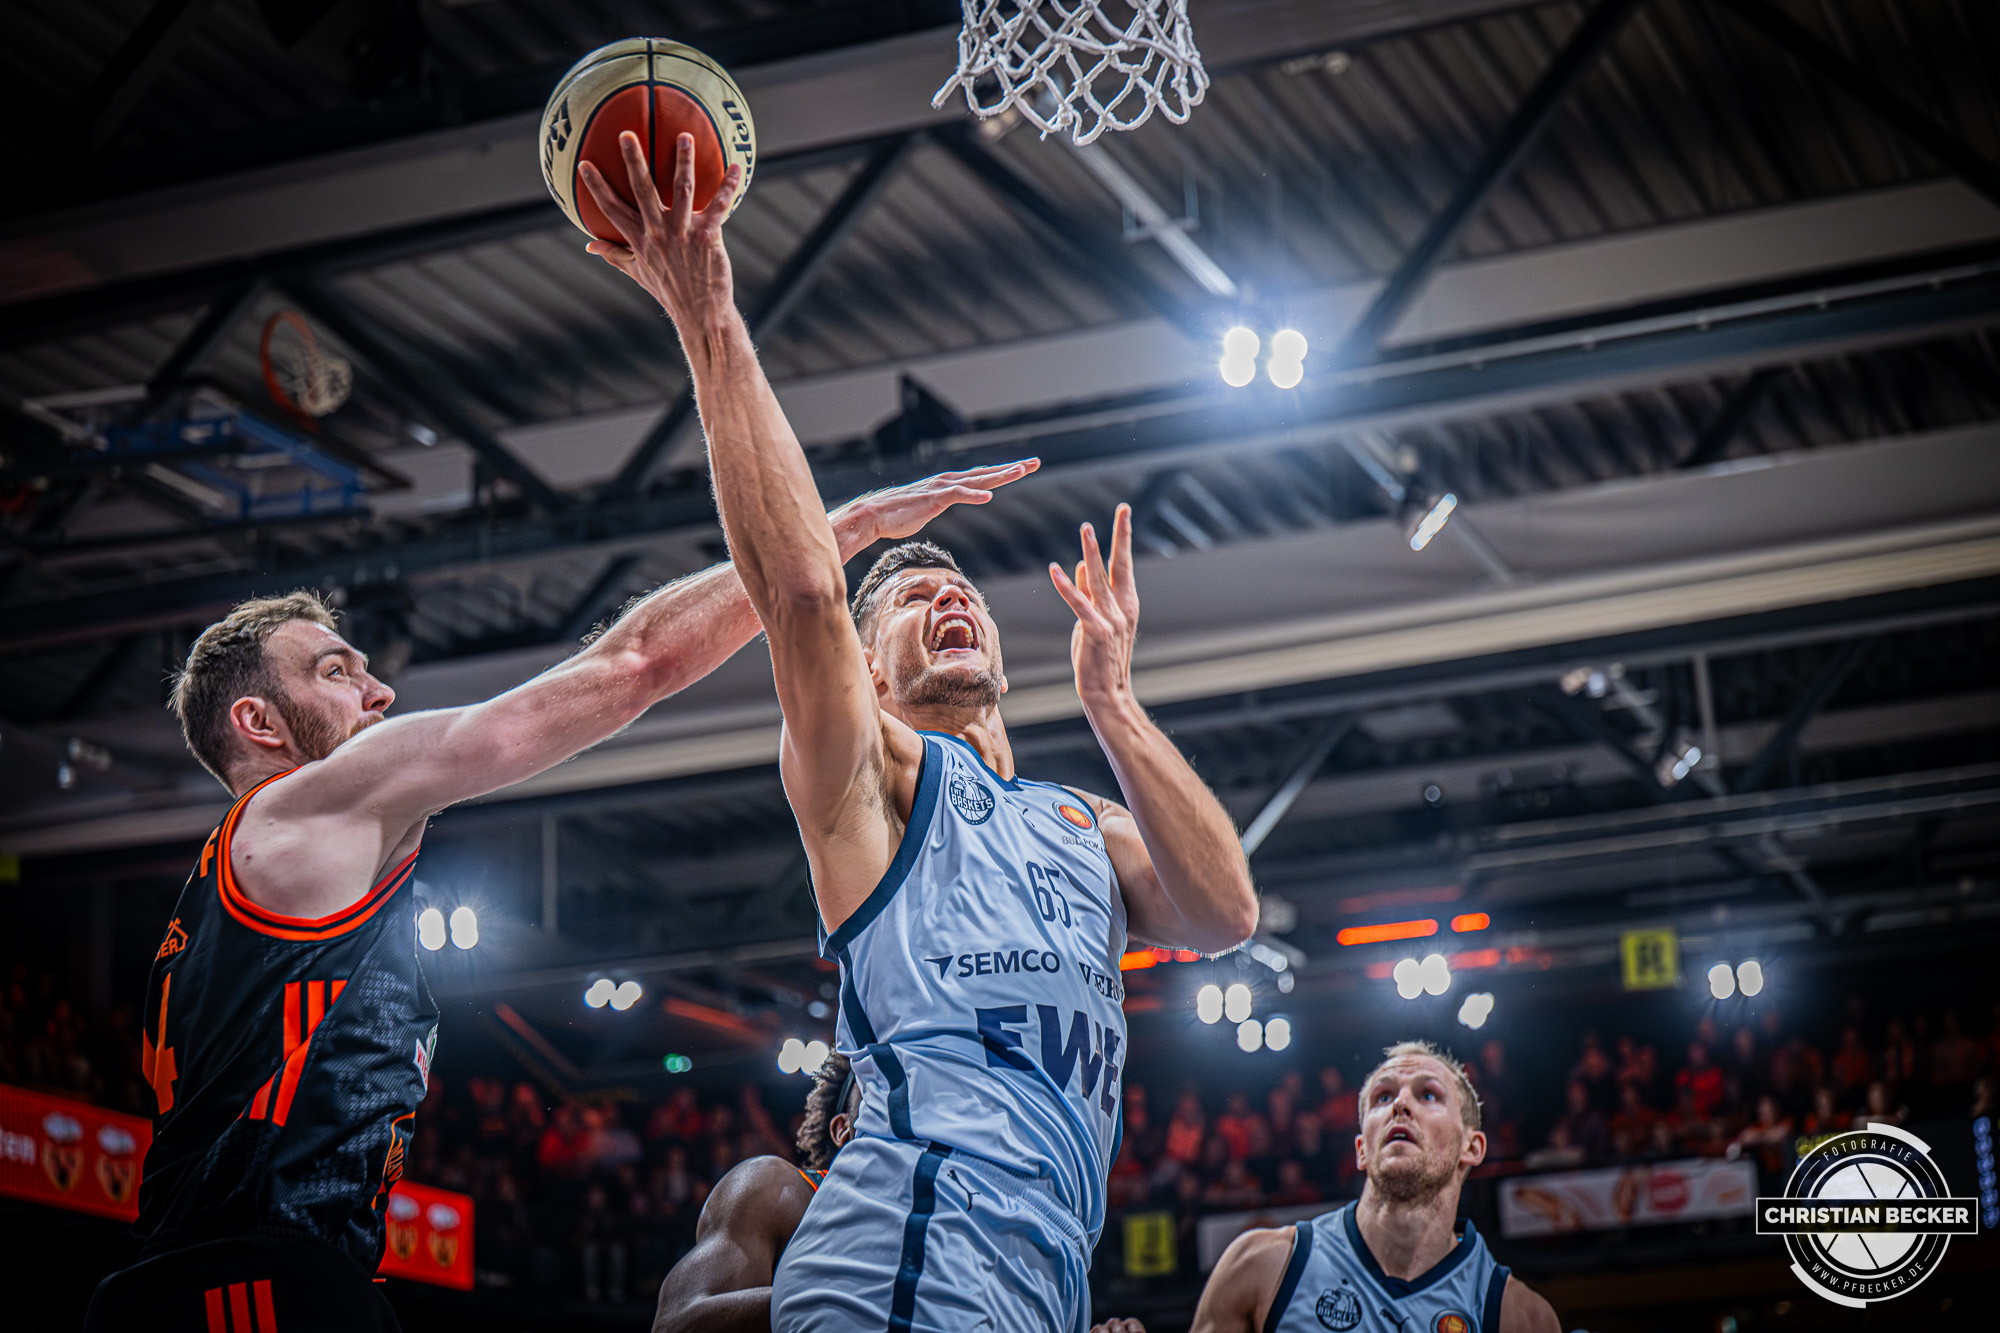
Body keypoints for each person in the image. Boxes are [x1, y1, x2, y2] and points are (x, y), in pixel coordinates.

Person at [81, 464, 1021, 1333]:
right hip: (250, 1280)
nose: (380, 691)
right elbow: (634, 663)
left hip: (230, 1271)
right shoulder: (307, 808)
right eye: (337, 673)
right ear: (258, 723)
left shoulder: (233, 891)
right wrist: (838, 534)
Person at [580, 130, 1257, 1333]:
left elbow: (1224, 915)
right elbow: (800, 591)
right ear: (869, 676)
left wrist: (1113, 702)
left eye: (962, 592)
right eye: (907, 597)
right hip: (899, 1273)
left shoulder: (1083, 822)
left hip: (1028, 1292)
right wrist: (709, 315)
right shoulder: (879, 777)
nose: (947, 597)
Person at [1189, 1041, 1560, 1333]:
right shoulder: (1262, 1265)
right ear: (1361, 1150)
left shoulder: (1520, 1317)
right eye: (1383, 1097)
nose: (1400, 1104)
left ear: (1472, 1147)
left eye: (1428, 1094)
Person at [652, 1054, 862, 1331]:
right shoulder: (781, 1190)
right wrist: (838, 1296)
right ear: (842, 1129)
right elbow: (675, 1324)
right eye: (878, 1087)